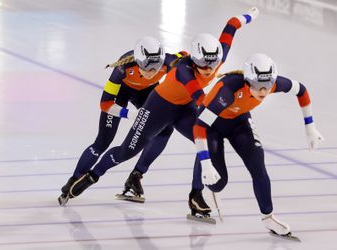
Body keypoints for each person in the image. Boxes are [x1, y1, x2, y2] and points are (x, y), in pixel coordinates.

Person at [63, 7, 260, 203]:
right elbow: (199, 97)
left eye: (213, 64)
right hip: (158, 105)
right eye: (203, 65)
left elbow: (232, 25)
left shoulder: (175, 60)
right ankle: (91, 176)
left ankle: (194, 195)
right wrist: (126, 113)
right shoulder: (143, 69)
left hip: (182, 106)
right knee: (126, 151)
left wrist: (250, 15)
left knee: (205, 140)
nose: (208, 70)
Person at [190, 53, 324, 237]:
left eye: (267, 87)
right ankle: (204, 178)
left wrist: (310, 127)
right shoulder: (227, 91)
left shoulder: (272, 83)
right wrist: (205, 163)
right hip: (212, 126)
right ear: (247, 82)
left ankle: (268, 217)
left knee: (258, 166)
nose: (263, 91)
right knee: (218, 183)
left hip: (239, 122)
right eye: (257, 86)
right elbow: (199, 126)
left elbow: (301, 90)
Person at [58, 36, 187, 205]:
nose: (150, 73)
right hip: (120, 96)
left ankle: (136, 175)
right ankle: (72, 181)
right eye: (146, 69)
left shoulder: (168, 61)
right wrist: (128, 114)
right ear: (138, 62)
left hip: (146, 93)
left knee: (166, 129)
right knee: (103, 142)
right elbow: (105, 104)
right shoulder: (123, 67)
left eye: (155, 69)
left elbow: (185, 57)